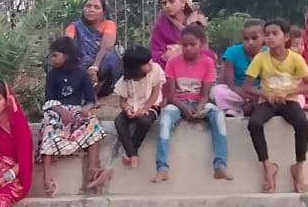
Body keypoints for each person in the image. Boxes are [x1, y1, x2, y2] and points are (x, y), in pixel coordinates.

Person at [243, 19, 308, 194]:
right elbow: (247, 86)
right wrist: (265, 94)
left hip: (289, 101)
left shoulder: (295, 58)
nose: (270, 37)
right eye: (267, 34)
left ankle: (299, 168)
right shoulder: (261, 58)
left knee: (302, 123)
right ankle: (268, 166)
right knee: (254, 123)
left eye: (275, 34)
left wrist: (289, 91)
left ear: (286, 37)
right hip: (268, 101)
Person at [36, 37, 113, 197]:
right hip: (56, 111)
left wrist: (85, 109)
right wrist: (61, 111)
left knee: (92, 123)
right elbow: (49, 100)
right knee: (48, 128)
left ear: (67, 55)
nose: (52, 59)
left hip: (76, 112)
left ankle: (93, 169)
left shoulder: (82, 75)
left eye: (55, 55)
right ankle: (47, 178)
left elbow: (91, 100)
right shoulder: (52, 75)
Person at [156, 24, 232, 184]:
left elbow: (205, 95)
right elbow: (171, 95)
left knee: (218, 115)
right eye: (184, 45)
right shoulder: (173, 62)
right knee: (165, 118)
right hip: (178, 103)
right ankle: (162, 167)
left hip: (199, 103)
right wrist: (184, 108)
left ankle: (220, 165)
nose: (188, 48)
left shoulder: (208, 63)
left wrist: (199, 107)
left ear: (201, 44)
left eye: (193, 44)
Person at [113, 46, 165, 169]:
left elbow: (155, 94)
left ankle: (131, 152)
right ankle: (133, 154)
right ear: (135, 68)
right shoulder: (125, 79)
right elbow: (122, 101)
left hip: (151, 105)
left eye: (150, 60)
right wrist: (127, 109)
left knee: (144, 121)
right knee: (119, 121)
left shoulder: (155, 69)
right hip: (133, 106)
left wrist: (145, 109)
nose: (150, 64)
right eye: (146, 63)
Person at [65, 0, 123, 97]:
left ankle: (101, 88)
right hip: (80, 66)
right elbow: (67, 46)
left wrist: (93, 68)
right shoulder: (74, 26)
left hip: (100, 66)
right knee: (54, 58)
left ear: (103, 11)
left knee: (112, 56)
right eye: (88, 6)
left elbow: (106, 47)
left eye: (96, 7)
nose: (91, 10)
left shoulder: (109, 24)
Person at [212, 19, 265, 118]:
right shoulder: (232, 52)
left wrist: (259, 95)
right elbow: (230, 84)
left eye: (254, 38)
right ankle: (236, 109)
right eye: (246, 39)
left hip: (260, 92)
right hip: (238, 92)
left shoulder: (269, 53)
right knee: (218, 91)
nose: (250, 42)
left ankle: (241, 109)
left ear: (264, 37)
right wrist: (249, 98)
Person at [151, 0, 210, 66]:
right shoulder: (160, 25)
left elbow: (204, 49)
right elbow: (154, 53)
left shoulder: (196, 22)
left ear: (182, 2)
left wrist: (180, 51)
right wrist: (165, 56)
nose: (167, 6)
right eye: (164, 3)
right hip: (168, 67)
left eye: (171, 1)